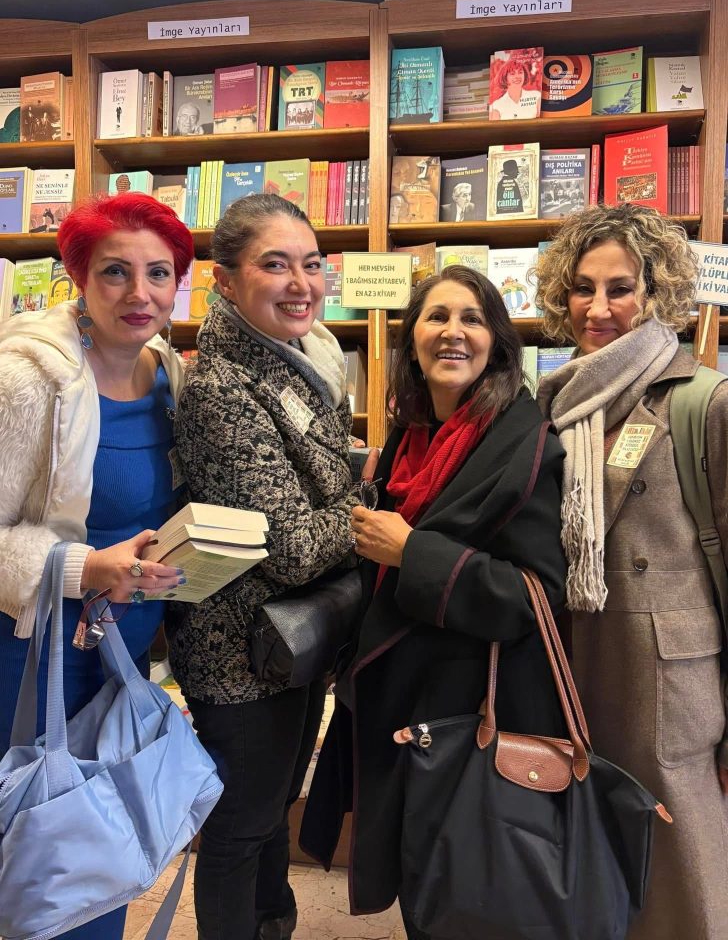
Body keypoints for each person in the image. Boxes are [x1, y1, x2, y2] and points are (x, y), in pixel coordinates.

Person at [301, 264, 567, 939]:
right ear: (413, 338)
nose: (453, 332)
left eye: (472, 319)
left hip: (470, 706)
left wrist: (411, 552)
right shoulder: (410, 436)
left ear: (497, 342)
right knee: (422, 878)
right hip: (405, 697)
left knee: (466, 889)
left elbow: (532, 596)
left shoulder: (525, 442)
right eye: (437, 317)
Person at [167, 192, 377, 940]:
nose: (301, 283)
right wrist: (367, 507)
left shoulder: (297, 360)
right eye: (275, 265)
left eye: (311, 264)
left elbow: (312, 495)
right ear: (225, 281)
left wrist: (343, 496)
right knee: (240, 827)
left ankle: (272, 926)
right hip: (240, 651)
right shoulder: (224, 387)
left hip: (288, 644)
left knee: (268, 814)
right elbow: (291, 551)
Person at [0, 192, 194, 940]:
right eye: (116, 272)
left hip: (119, 657)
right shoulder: (28, 381)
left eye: (158, 273)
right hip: (28, 660)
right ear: (78, 277)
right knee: (36, 860)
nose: (139, 293)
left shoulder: (167, 375)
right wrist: (84, 568)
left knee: (97, 858)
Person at [535, 203, 728, 940]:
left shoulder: (703, 401)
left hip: (668, 686)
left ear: (656, 293)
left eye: (620, 288)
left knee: (680, 875)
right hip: (573, 664)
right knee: (585, 864)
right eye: (583, 288)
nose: (599, 309)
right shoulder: (554, 404)